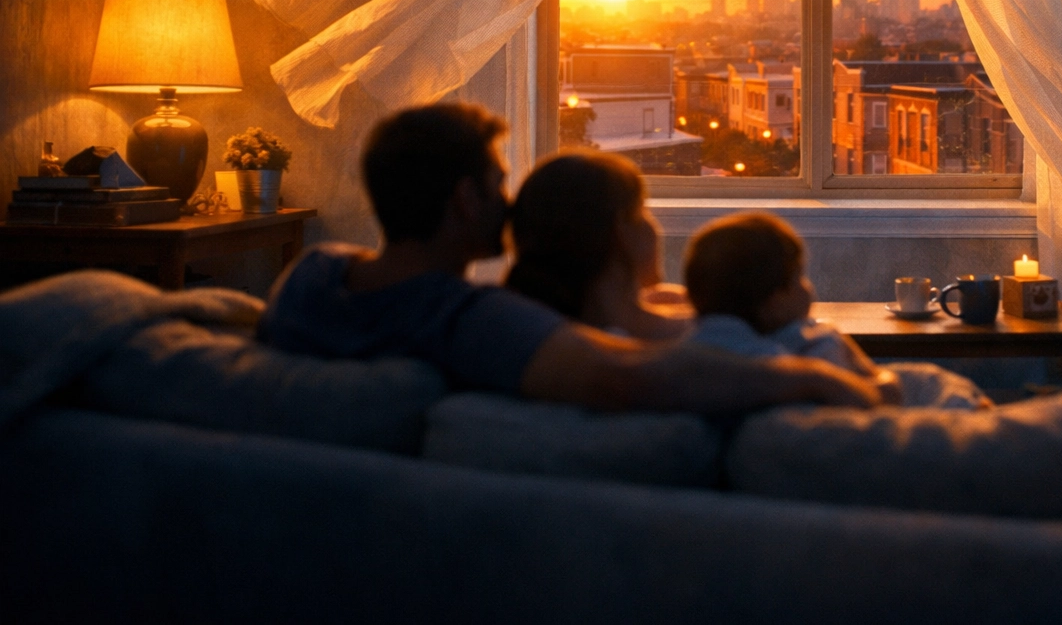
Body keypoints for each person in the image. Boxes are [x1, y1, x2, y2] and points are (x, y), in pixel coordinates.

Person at [258, 103, 880, 413]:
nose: (510, 204)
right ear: (466, 199)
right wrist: (820, 379)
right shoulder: (472, 319)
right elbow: (630, 375)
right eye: (498, 185)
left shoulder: (313, 276)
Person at [684, 212, 901, 402]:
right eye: (800, 278)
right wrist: (878, 374)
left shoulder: (701, 350)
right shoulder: (817, 346)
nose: (808, 287)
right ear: (777, 303)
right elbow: (883, 394)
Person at [503, 152, 690, 341]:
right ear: (620, 227)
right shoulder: (685, 339)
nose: (655, 226)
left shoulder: (525, 333)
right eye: (643, 210)